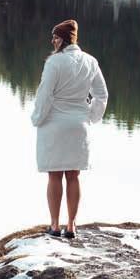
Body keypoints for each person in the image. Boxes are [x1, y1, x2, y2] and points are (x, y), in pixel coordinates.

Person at [31, 19, 108, 239]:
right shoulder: (91, 61)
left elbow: (45, 94)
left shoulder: (54, 62)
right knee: (73, 176)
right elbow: (102, 94)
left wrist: (37, 118)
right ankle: (72, 226)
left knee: (54, 175)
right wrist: (91, 117)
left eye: (55, 37)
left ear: (63, 40)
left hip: (54, 125)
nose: (52, 41)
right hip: (79, 126)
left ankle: (55, 225)